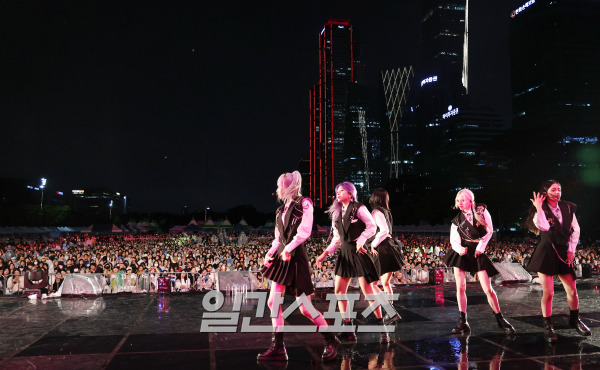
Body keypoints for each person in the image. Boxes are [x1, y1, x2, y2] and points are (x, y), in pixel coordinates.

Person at [259, 171, 339, 362]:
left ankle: (331, 339)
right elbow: (278, 239)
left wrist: (289, 248)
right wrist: (270, 254)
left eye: (281, 185)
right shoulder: (280, 210)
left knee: (304, 307)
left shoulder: (304, 203)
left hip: (296, 258)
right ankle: (278, 347)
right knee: (273, 302)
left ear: (288, 186)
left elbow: (304, 231)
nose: (278, 189)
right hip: (282, 256)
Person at [316, 182, 388, 343]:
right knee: (339, 291)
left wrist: (361, 241)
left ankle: (382, 326)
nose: (338, 193)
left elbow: (372, 226)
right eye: (337, 191)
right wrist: (324, 253)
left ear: (350, 193)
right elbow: (336, 238)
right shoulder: (337, 213)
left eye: (342, 191)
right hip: (345, 253)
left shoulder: (359, 208)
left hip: (359, 251)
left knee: (368, 291)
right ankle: (348, 329)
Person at [524, 180, 591, 342]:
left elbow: (576, 229)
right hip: (546, 251)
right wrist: (539, 208)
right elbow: (544, 227)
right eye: (554, 189)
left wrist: (571, 250)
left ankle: (574, 320)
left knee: (573, 290)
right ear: (546, 192)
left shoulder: (568, 207)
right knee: (549, 293)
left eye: (559, 189)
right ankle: (548, 326)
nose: (558, 192)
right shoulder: (539, 209)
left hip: (563, 251)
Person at [442, 189, 515, 335]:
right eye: (458, 200)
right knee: (460, 287)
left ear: (470, 200)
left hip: (478, 249)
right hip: (462, 251)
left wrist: (481, 248)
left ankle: (500, 319)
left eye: (462, 200)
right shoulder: (457, 220)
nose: (460, 203)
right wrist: (460, 249)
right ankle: (463, 321)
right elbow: (453, 240)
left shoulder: (481, 211)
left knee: (487, 288)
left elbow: (489, 231)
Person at [367, 188, 404, 323]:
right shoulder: (387, 212)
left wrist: (373, 244)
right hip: (389, 246)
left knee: (373, 284)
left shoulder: (377, 212)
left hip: (382, 247)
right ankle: (391, 312)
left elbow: (384, 230)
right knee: (386, 283)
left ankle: (390, 311)